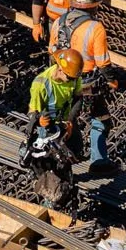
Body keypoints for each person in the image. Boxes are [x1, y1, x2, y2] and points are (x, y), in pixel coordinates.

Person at [58, 0, 113, 167]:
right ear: (94, 6)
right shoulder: (95, 28)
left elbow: (52, 50)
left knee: (67, 117)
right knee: (100, 118)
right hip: (87, 82)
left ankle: (72, 153)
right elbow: (102, 62)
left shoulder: (59, 22)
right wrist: (112, 80)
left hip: (61, 78)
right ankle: (99, 163)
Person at [24, 48, 86, 181]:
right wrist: (39, 120)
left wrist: (70, 121)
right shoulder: (40, 84)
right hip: (47, 125)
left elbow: (78, 98)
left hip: (64, 121)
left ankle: (66, 178)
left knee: (76, 150)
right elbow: (32, 111)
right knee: (48, 159)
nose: (72, 81)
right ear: (60, 70)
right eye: (70, 78)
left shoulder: (74, 77)